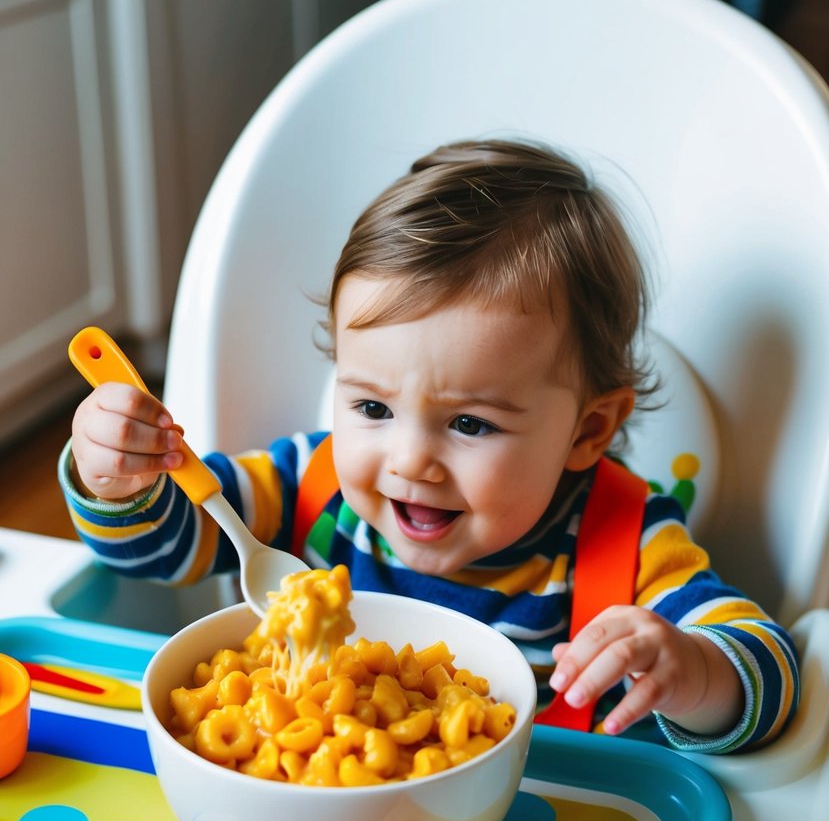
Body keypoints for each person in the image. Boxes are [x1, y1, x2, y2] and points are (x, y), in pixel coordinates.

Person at [61, 138, 799, 753]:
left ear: (588, 430)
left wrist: (692, 669)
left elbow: (769, 670)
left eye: (469, 424)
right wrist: (117, 480)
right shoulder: (305, 488)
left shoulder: (624, 542)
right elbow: (157, 550)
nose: (409, 461)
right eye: (373, 406)